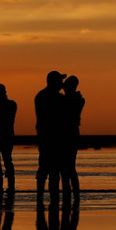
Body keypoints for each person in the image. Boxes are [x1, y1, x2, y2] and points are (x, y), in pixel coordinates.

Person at [35, 71, 67, 200]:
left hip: (44, 137)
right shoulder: (57, 98)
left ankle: (41, 196)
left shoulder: (41, 96)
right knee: (52, 170)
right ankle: (52, 196)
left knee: (45, 168)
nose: (62, 84)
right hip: (53, 138)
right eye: (60, 81)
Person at [62, 76, 85, 204]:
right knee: (69, 167)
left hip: (68, 134)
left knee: (68, 167)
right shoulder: (78, 99)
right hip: (72, 134)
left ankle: (70, 195)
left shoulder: (76, 100)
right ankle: (73, 195)